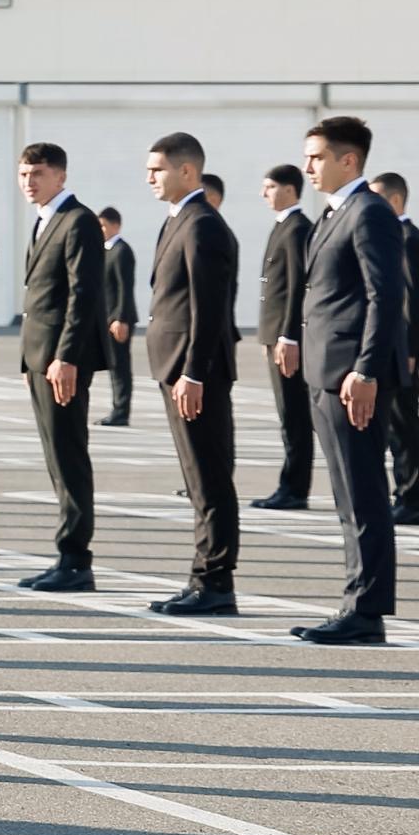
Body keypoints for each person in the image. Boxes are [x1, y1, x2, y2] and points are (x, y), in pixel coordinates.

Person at [283, 115, 410, 645]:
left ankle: (366, 610)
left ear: (349, 160)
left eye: (317, 157)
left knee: (362, 493)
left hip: (350, 375)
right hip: (324, 371)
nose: (307, 166)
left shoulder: (369, 213)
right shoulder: (333, 213)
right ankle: (355, 601)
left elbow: (385, 297)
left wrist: (365, 368)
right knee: (345, 494)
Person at [141, 132, 243, 617]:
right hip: (177, 367)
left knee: (209, 478)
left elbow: (209, 309)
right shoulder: (179, 220)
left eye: (157, 168)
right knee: (197, 477)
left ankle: (215, 582)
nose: (149, 177)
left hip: (193, 371)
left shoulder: (203, 226)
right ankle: (202, 576)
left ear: (187, 171)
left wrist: (195, 373)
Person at [13, 142, 108, 594]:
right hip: (39, 357)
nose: (29, 182)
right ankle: (67, 554)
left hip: (60, 360)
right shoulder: (45, 220)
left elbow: (83, 295)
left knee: (69, 456)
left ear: (61, 177)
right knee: (56, 458)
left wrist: (67, 355)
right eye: (24, 174)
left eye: (38, 173)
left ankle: (75, 559)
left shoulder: (78, 220)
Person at [368, 171, 419, 524]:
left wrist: (409, 351)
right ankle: (404, 494)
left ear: (394, 200)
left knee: (404, 425)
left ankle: (412, 499)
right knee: (396, 426)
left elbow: (413, 300)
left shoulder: (407, 237)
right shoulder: (396, 234)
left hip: (403, 351)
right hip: (395, 349)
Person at [255, 167, 316, 510]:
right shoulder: (283, 225)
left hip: (285, 338)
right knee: (287, 414)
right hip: (275, 335)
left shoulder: (296, 229)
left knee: (294, 415)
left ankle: (294, 489)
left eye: (270, 187)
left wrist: (288, 336)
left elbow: (296, 287)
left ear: (291, 190)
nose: (264, 193)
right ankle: (289, 484)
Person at [98, 206, 140, 428]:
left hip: (119, 319)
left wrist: (121, 318)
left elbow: (125, 287)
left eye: (104, 225)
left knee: (120, 365)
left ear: (116, 225)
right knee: (114, 365)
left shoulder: (122, 251)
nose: (101, 230)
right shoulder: (105, 250)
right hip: (107, 318)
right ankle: (116, 407)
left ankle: (121, 411)